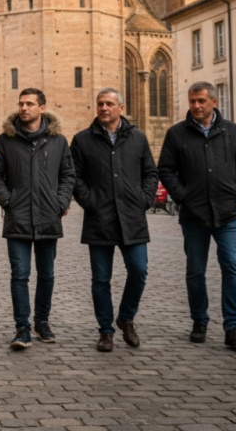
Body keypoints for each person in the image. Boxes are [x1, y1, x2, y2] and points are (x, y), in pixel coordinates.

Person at [158, 81, 236, 350]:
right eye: (192, 101)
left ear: (214, 101)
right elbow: (165, 169)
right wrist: (182, 194)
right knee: (195, 271)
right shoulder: (177, 133)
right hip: (194, 214)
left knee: (232, 267)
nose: (196, 106)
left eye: (201, 101)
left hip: (228, 213)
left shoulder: (231, 131)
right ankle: (199, 321)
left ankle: (233, 327)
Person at [71, 88, 158, 352]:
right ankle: (106, 330)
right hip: (100, 218)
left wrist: (143, 199)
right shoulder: (82, 140)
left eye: (109, 103)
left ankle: (126, 318)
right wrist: (90, 201)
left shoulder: (138, 138)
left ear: (121, 107)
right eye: (100, 103)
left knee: (139, 270)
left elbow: (150, 173)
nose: (104, 108)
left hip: (132, 217)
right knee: (101, 279)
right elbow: (75, 177)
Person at [0, 89, 75, 350]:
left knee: (47, 274)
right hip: (19, 217)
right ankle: (22, 327)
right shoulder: (6, 140)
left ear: (42, 108)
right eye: (21, 103)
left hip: (49, 216)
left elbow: (68, 174)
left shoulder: (58, 141)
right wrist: (8, 200)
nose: (23, 108)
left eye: (29, 104)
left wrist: (60, 202)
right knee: (20, 274)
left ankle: (42, 322)